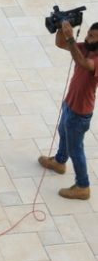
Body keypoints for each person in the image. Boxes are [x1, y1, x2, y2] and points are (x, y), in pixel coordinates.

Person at [39, 20, 98, 200]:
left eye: (92, 36)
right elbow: (61, 44)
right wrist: (60, 29)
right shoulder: (86, 47)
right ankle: (59, 162)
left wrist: (71, 37)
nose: (87, 37)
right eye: (88, 33)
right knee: (63, 131)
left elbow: (82, 63)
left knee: (76, 148)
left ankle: (83, 186)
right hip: (70, 103)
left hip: (80, 112)